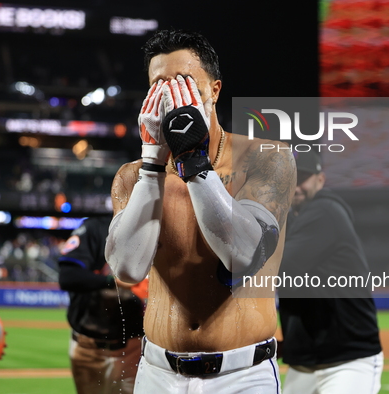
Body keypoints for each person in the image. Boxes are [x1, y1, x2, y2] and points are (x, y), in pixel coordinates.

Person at [104, 29, 296, 393]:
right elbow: (127, 269)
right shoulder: (131, 176)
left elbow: (242, 256)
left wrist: (194, 160)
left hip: (241, 377)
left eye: (185, 82)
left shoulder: (267, 157)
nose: (171, 95)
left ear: (215, 91)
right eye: (159, 85)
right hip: (158, 373)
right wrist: (151, 165)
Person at [278, 151, 383, 394]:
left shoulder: (326, 211)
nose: (296, 186)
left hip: (348, 360)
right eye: (290, 178)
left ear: (320, 180)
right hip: (303, 362)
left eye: (302, 177)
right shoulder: (289, 220)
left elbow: (280, 268)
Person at [58, 215, 146, 394]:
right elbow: (68, 276)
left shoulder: (156, 228)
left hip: (135, 349)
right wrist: (113, 282)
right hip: (89, 348)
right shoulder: (95, 228)